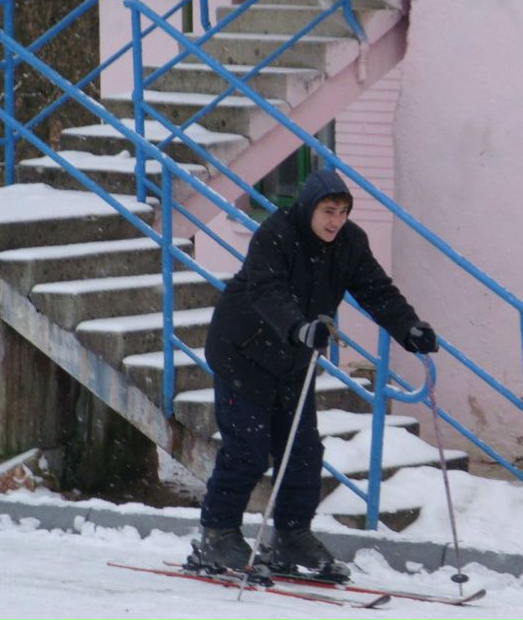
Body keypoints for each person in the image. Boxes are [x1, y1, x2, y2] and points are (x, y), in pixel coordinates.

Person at [186, 167, 438, 580]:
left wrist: (408, 329)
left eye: (342, 212)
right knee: (248, 448)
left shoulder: (350, 243)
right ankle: (216, 535)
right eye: (328, 211)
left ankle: (290, 535)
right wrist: (298, 326)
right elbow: (266, 290)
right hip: (244, 353)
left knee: (303, 454)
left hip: (292, 361)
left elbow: (377, 291)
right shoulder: (277, 234)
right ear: (308, 207)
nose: (335, 221)